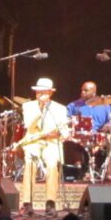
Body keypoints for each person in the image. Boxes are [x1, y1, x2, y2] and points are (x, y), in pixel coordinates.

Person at [18, 77, 70, 212]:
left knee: (52, 164)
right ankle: (27, 203)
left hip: (51, 141)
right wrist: (40, 109)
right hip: (33, 141)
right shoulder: (28, 106)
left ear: (50, 93)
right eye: (37, 91)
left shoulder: (60, 109)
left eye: (43, 91)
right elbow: (29, 125)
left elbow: (63, 128)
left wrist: (65, 134)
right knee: (30, 162)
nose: (39, 94)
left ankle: (50, 202)